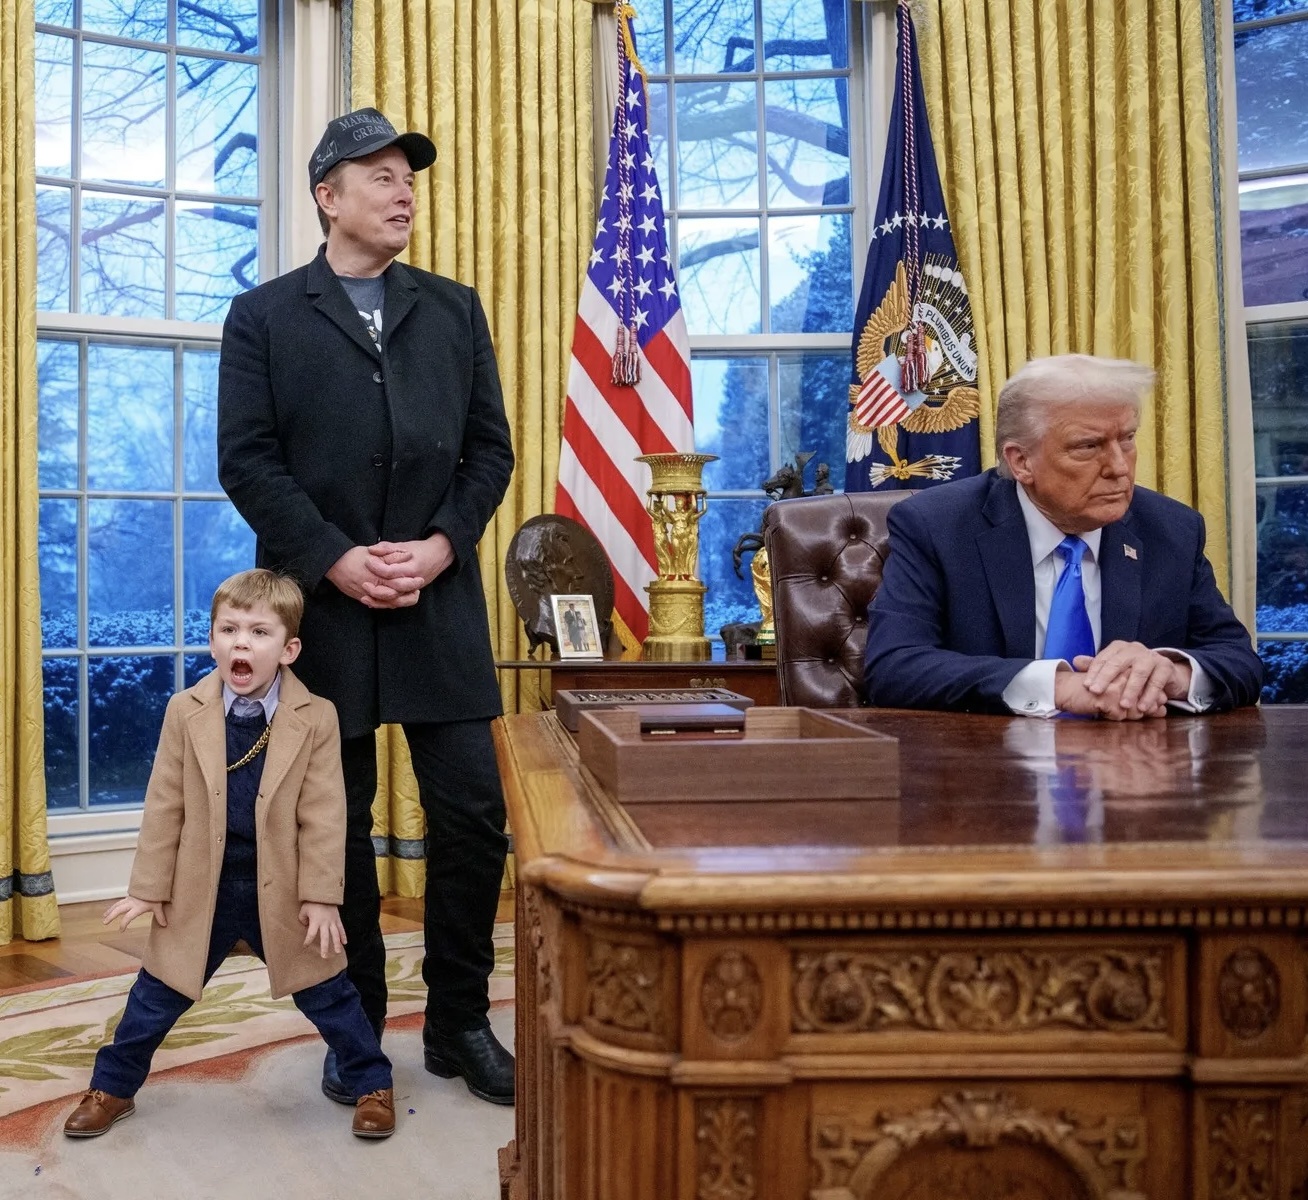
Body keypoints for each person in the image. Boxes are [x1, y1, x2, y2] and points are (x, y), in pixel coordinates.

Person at [217, 109, 516, 1107]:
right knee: (336, 830)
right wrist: (337, 560)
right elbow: (247, 461)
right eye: (380, 176)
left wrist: (438, 546)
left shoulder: (456, 309)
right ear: (328, 196)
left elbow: (490, 454)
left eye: (410, 178)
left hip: (438, 603)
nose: (403, 192)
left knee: (473, 813)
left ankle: (459, 1022)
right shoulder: (262, 316)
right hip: (323, 607)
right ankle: (359, 1035)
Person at [63, 570, 395, 1140]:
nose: (241, 643)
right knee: (154, 996)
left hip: (283, 889)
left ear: (288, 649)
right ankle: (112, 1087)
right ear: (212, 639)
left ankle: (372, 1083)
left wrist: (320, 897)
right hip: (203, 885)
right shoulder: (183, 710)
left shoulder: (316, 718)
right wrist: (148, 887)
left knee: (331, 994)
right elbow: (164, 803)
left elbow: (324, 815)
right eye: (229, 629)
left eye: (259, 632)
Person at [864, 354, 1263, 717]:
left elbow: (1239, 661)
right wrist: (1059, 687)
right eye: (1088, 446)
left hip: (1134, 778)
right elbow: (894, 666)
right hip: (987, 775)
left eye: (1127, 438)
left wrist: (1170, 673)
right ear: (1021, 461)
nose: (1119, 467)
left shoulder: (1171, 530)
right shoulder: (937, 526)